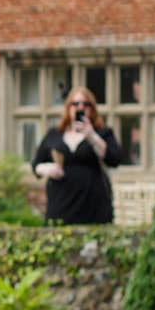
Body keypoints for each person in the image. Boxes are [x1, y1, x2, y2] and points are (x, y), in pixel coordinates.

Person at [32, 84, 124, 224]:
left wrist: (91, 136)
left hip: (93, 206)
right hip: (60, 204)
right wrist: (48, 169)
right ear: (68, 108)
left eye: (86, 104)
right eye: (75, 104)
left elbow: (114, 159)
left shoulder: (102, 133)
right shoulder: (54, 134)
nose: (80, 108)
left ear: (92, 109)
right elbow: (35, 165)